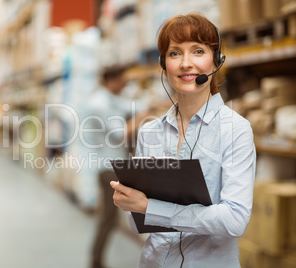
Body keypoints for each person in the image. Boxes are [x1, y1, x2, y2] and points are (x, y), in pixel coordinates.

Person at [110, 13, 256, 267]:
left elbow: (234, 219)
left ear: (216, 61)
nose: (186, 63)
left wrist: (151, 207)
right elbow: (139, 221)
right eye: (175, 53)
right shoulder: (150, 132)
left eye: (198, 51)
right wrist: (131, 202)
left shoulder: (236, 130)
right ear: (164, 65)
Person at [85, 66, 150, 268]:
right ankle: (96, 261)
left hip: (114, 164)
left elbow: (129, 106)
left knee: (110, 218)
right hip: (109, 168)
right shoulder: (100, 103)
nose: (124, 85)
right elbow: (120, 134)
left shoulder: (110, 99)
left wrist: (145, 106)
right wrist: (140, 119)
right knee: (108, 219)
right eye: (122, 80)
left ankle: (96, 260)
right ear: (112, 80)